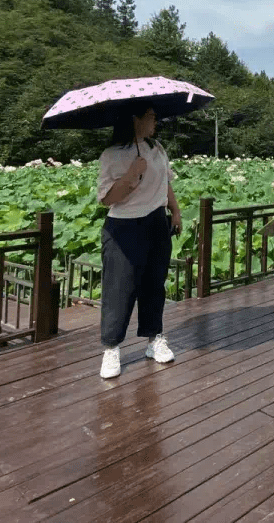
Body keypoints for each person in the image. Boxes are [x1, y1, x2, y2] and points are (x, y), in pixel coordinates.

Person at [95, 103, 181, 379]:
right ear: (135, 120)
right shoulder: (112, 155)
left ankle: (154, 338)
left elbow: (166, 184)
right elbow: (107, 199)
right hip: (123, 227)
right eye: (151, 117)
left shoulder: (158, 150)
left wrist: (175, 211)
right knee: (118, 289)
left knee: (154, 285)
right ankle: (111, 347)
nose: (155, 121)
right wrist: (131, 176)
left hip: (156, 222)